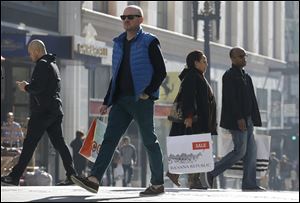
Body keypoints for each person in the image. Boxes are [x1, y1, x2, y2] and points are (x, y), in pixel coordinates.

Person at [71, 5, 166, 196]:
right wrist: (107, 101)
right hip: (121, 101)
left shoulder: (149, 41)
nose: (126, 20)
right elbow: (116, 75)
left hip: (141, 100)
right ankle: (94, 179)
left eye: (131, 17)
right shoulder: (119, 43)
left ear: (140, 19)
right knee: (109, 140)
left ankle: (157, 184)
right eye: (124, 17)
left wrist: (147, 92)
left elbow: (161, 71)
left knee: (149, 141)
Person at [1, 39, 76, 186]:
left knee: (29, 144)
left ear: (37, 51)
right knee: (60, 143)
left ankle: (14, 177)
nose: (30, 56)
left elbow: (38, 87)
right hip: (54, 110)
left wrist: (25, 87)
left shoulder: (41, 65)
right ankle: (72, 174)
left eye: (30, 53)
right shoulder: (53, 64)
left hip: (42, 111)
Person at [204, 47, 265, 191]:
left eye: (245, 56)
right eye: (241, 56)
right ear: (233, 59)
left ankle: (249, 183)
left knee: (251, 152)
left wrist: (254, 119)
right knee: (240, 151)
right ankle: (212, 171)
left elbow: (252, 100)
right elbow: (231, 100)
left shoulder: (246, 76)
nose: (244, 58)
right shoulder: (229, 75)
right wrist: (239, 118)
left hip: (249, 119)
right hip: (237, 120)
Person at [166, 50, 217, 189]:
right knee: (195, 150)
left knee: (193, 149)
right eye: (204, 61)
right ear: (196, 63)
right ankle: (192, 180)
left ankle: (176, 173)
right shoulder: (192, 76)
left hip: (198, 120)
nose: (206, 64)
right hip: (195, 120)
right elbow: (188, 98)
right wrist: (189, 116)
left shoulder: (196, 76)